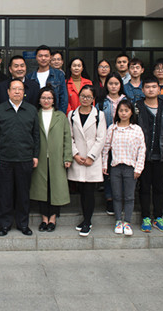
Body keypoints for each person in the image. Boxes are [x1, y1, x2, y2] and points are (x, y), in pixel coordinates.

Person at [0, 78, 40, 236]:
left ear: (24, 92)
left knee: (23, 194)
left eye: (20, 89)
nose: (17, 92)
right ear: (8, 92)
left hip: (25, 158)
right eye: (14, 89)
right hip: (4, 158)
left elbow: (36, 135)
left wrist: (35, 155)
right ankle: (4, 224)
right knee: (5, 193)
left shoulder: (31, 110)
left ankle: (23, 224)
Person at [134, 77, 163, 233]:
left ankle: (158, 217)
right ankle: (146, 217)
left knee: (159, 188)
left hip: (162, 154)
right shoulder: (137, 107)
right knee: (144, 187)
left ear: (159, 89)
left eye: (154, 87)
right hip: (143, 155)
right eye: (148, 87)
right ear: (142, 90)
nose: (151, 89)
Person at [30, 86, 72, 232]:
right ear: (39, 100)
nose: (46, 100)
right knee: (42, 189)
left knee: (56, 188)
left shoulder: (61, 116)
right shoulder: (35, 115)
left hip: (57, 158)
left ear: (54, 100)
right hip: (40, 157)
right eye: (43, 98)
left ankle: (53, 218)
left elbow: (67, 137)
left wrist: (67, 156)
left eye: (49, 98)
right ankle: (44, 219)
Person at [101, 99, 146, 236]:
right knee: (116, 195)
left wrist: (139, 168)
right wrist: (104, 165)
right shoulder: (112, 128)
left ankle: (127, 222)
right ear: (117, 112)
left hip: (131, 168)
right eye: (121, 110)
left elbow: (142, 149)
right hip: (115, 167)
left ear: (131, 112)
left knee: (129, 196)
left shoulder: (136, 129)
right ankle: (118, 221)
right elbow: (106, 148)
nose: (124, 113)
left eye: (126, 110)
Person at [67, 85, 107, 237]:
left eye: (88, 97)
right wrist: (75, 154)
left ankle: (87, 222)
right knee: (81, 191)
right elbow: (69, 137)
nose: (85, 99)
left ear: (93, 99)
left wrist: (91, 157)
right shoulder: (72, 114)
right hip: (78, 159)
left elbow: (101, 138)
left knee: (89, 192)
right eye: (83, 96)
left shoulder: (99, 115)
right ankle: (85, 219)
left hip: (92, 160)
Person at [97, 72, 127, 215]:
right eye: (110, 83)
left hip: (123, 141)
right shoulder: (101, 102)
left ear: (120, 85)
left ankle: (121, 199)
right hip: (107, 141)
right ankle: (109, 198)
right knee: (108, 171)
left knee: (122, 171)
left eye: (116, 83)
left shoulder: (126, 100)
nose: (113, 86)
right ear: (106, 85)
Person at [26, 45, 68, 113]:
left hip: (54, 114)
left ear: (50, 57)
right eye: (40, 56)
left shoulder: (59, 75)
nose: (43, 58)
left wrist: (60, 116)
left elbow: (63, 98)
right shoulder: (29, 77)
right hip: (35, 114)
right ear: (36, 57)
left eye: (46, 56)